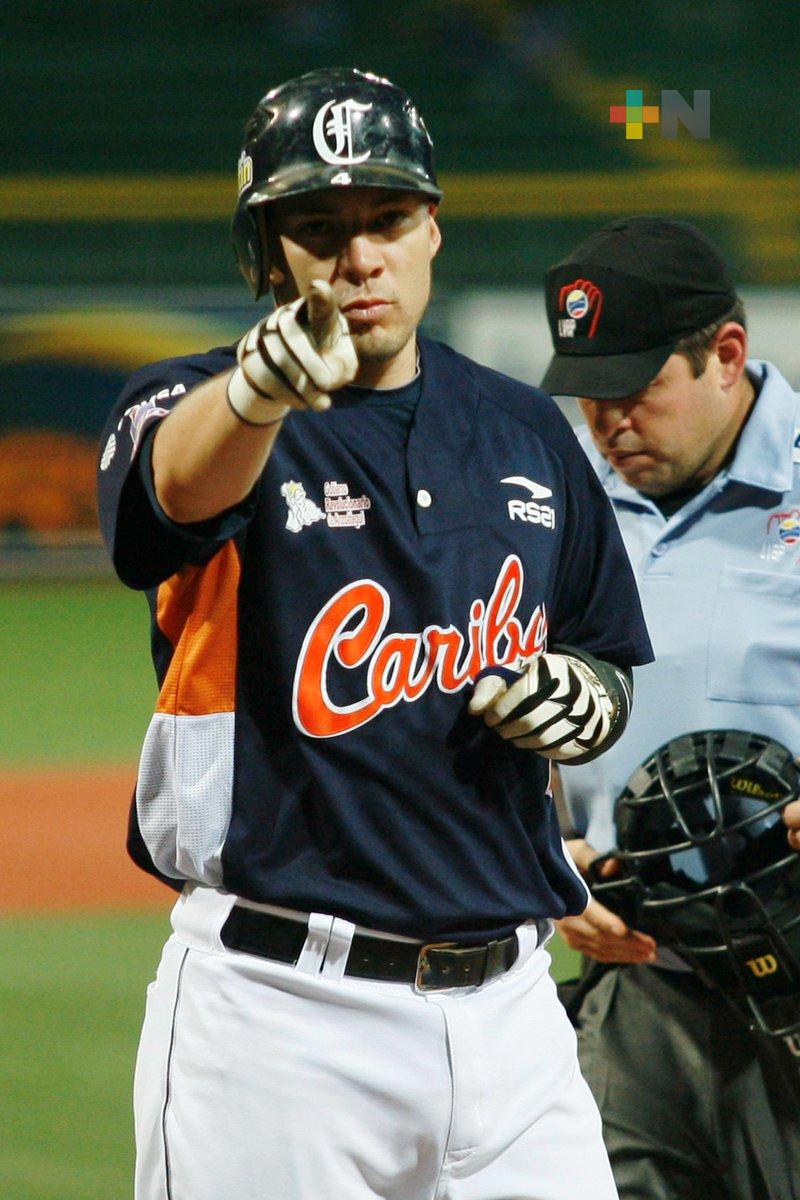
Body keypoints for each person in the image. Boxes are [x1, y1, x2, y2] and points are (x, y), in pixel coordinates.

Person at [97, 68, 652, 1200]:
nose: (360, 258)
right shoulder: (192, 404)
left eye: (388, 218)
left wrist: (588, 696)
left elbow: (599, 646)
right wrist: (253, 396)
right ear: (267, 254)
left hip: (515, 1018)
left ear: (432, 228)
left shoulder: (522, 427)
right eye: (319, 229)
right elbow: (166, 502)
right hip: (280, 1022)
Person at [541, 215, 800, 1200]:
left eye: (636, 386)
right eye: (589, 391)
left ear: (725, 355)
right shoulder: (556, 499)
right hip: (638, 979)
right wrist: (542, 855)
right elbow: (502, 701)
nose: (609, 420)